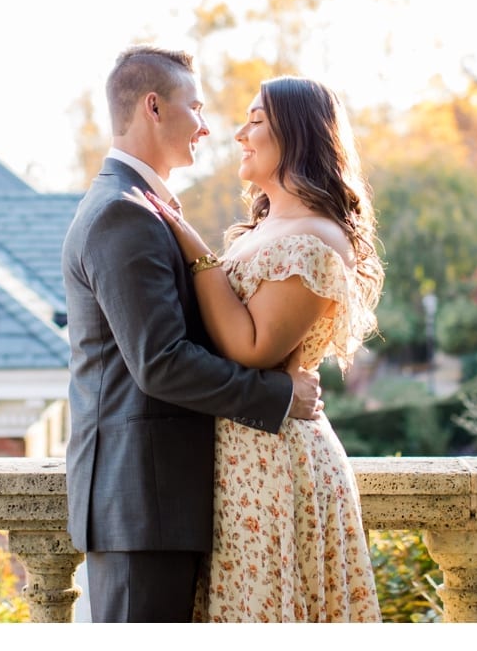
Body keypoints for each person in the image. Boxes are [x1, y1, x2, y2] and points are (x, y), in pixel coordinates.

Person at [61, 47, 325, 623]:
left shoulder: (140, 205)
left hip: (156, 501)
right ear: (154, 107)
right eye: (196, 107)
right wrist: (278, 397)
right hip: (141, 503)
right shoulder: (122, 213)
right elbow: (160, 363)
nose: (208, 126)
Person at [140, 74, 384, 622]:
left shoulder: (314, 239)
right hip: (240, 457)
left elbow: (250, 348)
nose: (238, 135)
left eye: (255, 121)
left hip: (274, 463)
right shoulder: (265, 229)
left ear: (296, 136)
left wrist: (193, 245)